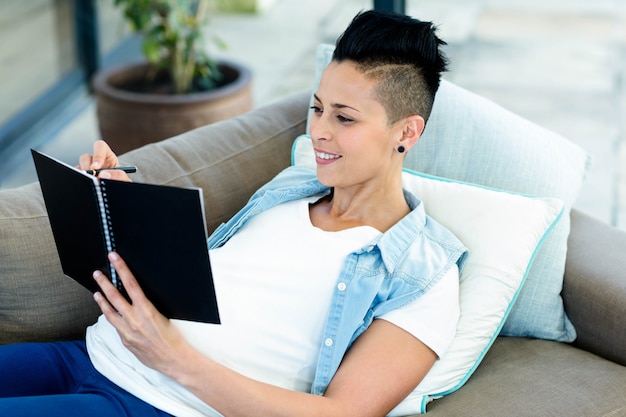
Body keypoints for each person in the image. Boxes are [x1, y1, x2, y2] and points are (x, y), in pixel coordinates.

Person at [0, 10, 467, 417]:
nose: (319, 132)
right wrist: (117, 201)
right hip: (87, 354)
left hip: (154, 404)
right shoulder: (290, 189)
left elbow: (341, 413)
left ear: (406, 131)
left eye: (344, 118)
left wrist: (172, 357)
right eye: (317, 108)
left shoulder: (422, 279)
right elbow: (199, 278)